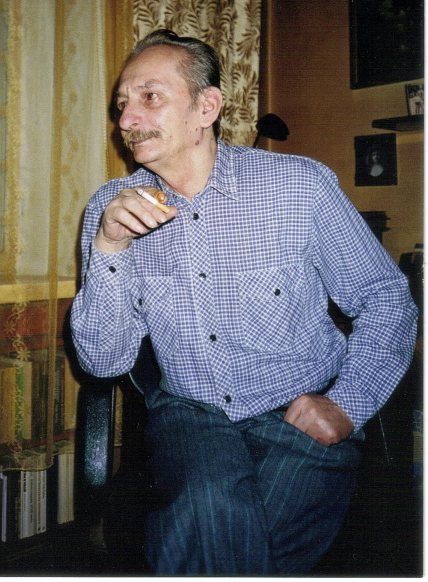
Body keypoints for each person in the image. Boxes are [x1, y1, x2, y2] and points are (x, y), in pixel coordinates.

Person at [71, 29, 418, 575]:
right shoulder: (110, 210)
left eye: (149, 97)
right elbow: (103, 361)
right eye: (121, 105)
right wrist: (110, 247)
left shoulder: (300, 187)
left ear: (206, 107)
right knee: (208, 502)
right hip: (190, 416)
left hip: (300, 409)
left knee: (230, 528)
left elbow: (385, 296)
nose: (127, 120)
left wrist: (348, 402)